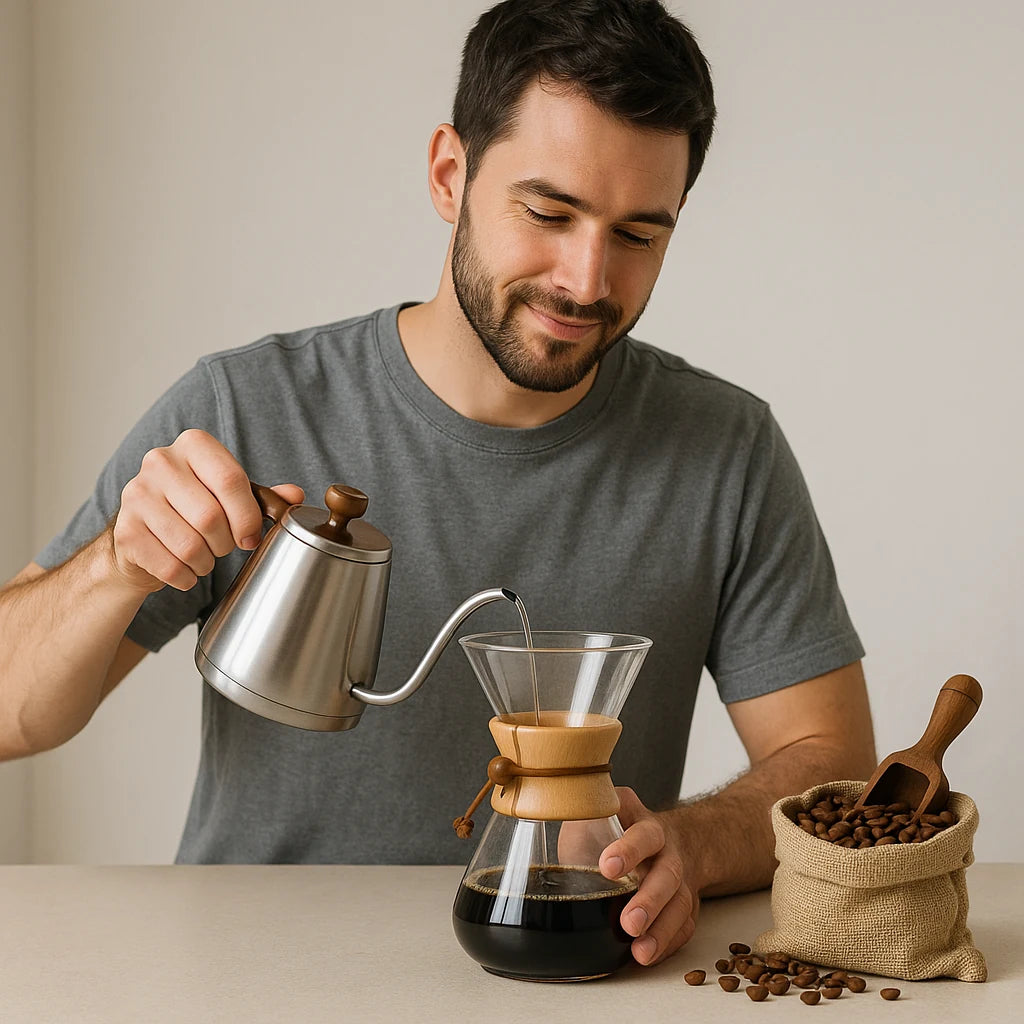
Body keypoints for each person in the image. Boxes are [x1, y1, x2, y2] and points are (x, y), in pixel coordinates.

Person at [0, 0, 875, 968]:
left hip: (572, 971)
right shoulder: (246, 407)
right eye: (548, 212)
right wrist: (115, 567)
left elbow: (831, 765)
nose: (587, 279)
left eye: (638, 233)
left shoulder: (725, 450)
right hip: (246, 977)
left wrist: (696, 847)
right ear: (448, 175)